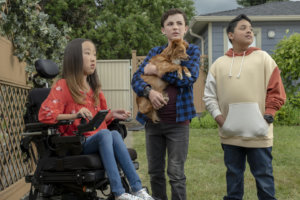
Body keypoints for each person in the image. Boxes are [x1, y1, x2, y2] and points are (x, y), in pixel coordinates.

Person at [38, 38, 154, 200]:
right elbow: (45, 114)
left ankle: (137, 189)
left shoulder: (94, 89)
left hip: (95, 138)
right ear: (75, 58)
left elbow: (96, 122)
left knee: (113, 134)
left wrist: (111, 114)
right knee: (107, 135)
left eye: (94, 54)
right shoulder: (63, 85)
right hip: (76, 142)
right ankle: (118, 192)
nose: (93, 58)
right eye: (87, 53)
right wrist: (75, 115)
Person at [203, 14, 286, 200]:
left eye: (250, 27)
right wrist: (220, 119)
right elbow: (209, 96)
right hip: (230, 134)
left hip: (259, 134)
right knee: (233, 177)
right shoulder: (219, 64)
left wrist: (268, 115)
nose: (249, 30)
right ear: (230, 35)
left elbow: (276, 91)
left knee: (264, 178)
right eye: (243, 27)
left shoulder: (264, 58)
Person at [131, 8, 200, 200]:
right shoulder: (154, 52)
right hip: (153, 123)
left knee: (176, 173)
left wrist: (156, 70)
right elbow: (136, 79)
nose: (175, 27)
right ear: (163, 30)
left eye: (179, 23)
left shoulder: (192, 50)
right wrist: (149, 92)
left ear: (185, 28)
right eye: (170, 24)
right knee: (155, 172)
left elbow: (189, 78)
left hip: (178, 123)